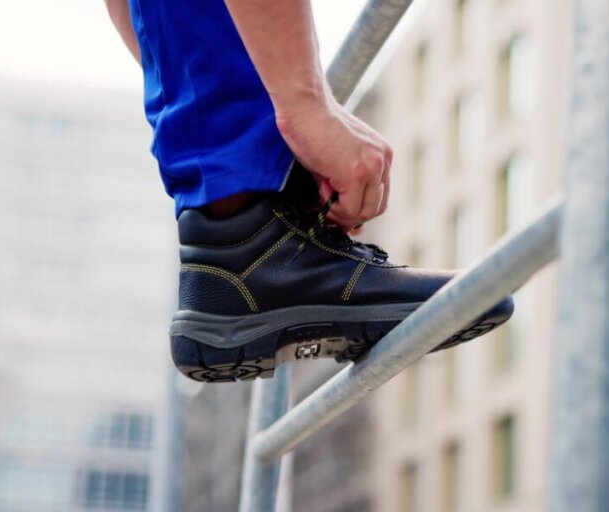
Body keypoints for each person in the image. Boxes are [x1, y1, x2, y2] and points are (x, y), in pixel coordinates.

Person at [104, 0, 513, 382]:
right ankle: (260, 239)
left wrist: (246, 128)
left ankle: (237, 252)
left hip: (212, 231)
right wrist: (304, 107)